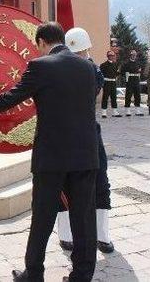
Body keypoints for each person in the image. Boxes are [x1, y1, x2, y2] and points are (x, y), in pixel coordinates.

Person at [0, 22, 99, 282]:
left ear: (43, 42)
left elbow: (12, 96)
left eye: (38, 46)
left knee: (43, 217)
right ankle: (82, 275)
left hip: (52, 157)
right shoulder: (88, 68)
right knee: (84, 218)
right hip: (85, 155)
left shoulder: (41, 66)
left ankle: (34, 273)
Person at [57, 27, 114, 255]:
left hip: (88, 133)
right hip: (64, 136)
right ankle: (66, 235)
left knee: (101, 183)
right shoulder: (58, 69)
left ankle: (102, 235)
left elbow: (96, 84)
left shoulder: (91, 71)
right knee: (62, 186)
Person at [99, 50, 122, 118]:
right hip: (106, 82)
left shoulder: (115, 64)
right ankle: (104, 112)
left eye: (112, 55)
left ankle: (114, 112)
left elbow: (116, 73)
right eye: (110, 55)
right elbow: (101, 75)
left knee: (114, 97)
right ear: (107, 56)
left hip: (113, 82)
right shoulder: (103, 65)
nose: (111, 57)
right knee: (105, 97)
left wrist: (119, 72)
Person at [121, 50, 144, 116]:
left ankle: (137, 110)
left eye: (135, 55)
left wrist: (140, 72)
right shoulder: (126, 63)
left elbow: (140, 71)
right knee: (128, 95)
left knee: (137, 95)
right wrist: (126, 76)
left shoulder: (138, 63)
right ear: (130, 55)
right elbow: (122, 72)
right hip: (130, 80)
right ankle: (127, 110)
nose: (134, 56)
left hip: (136, 80)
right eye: (132, 55)